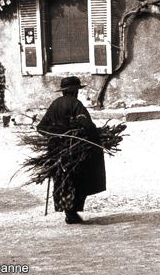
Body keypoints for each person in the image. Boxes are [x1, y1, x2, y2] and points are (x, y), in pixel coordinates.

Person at [36, 76, 106, 224]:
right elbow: (86, 125)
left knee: (63, 179)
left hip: (56, 151)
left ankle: (69, 212)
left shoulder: (54, 104)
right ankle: (72, 213)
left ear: (63, 91)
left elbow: (41, 127)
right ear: (74, 91)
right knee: (77, 179)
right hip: (74, 150)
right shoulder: (76, 104)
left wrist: (56, 135)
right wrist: (96, 138)